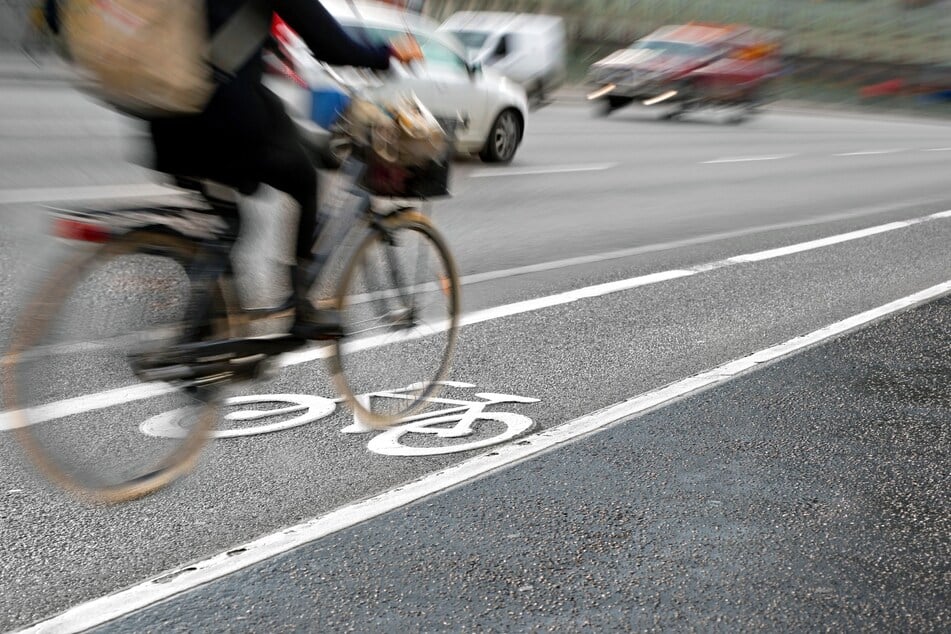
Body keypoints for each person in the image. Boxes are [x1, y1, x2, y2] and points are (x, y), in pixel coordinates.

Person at [42, 0, 423, 340]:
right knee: (305, 177)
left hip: (164, 118)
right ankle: (300, 310)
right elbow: (332, 46)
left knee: (229, 220)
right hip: (223, 120)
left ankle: (210, 322)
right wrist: (389, 54)